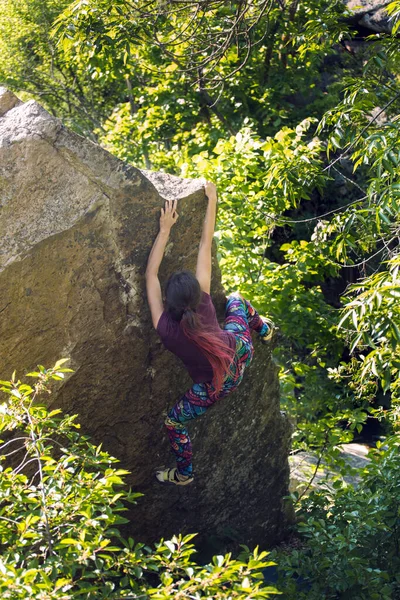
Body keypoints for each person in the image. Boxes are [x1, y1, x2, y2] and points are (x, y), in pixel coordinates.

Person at [145, 181, 275, 485]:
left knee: (173, 422)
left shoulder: (165, 328)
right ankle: (265, 329)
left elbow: (150, 274)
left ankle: (184, 474)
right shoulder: (203, 299)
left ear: (169, 304)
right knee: (235, 299)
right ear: (194, 294)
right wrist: (212, 199)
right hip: (241, 352)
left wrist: (164, 230)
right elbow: (205, 244)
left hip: (214, 389)